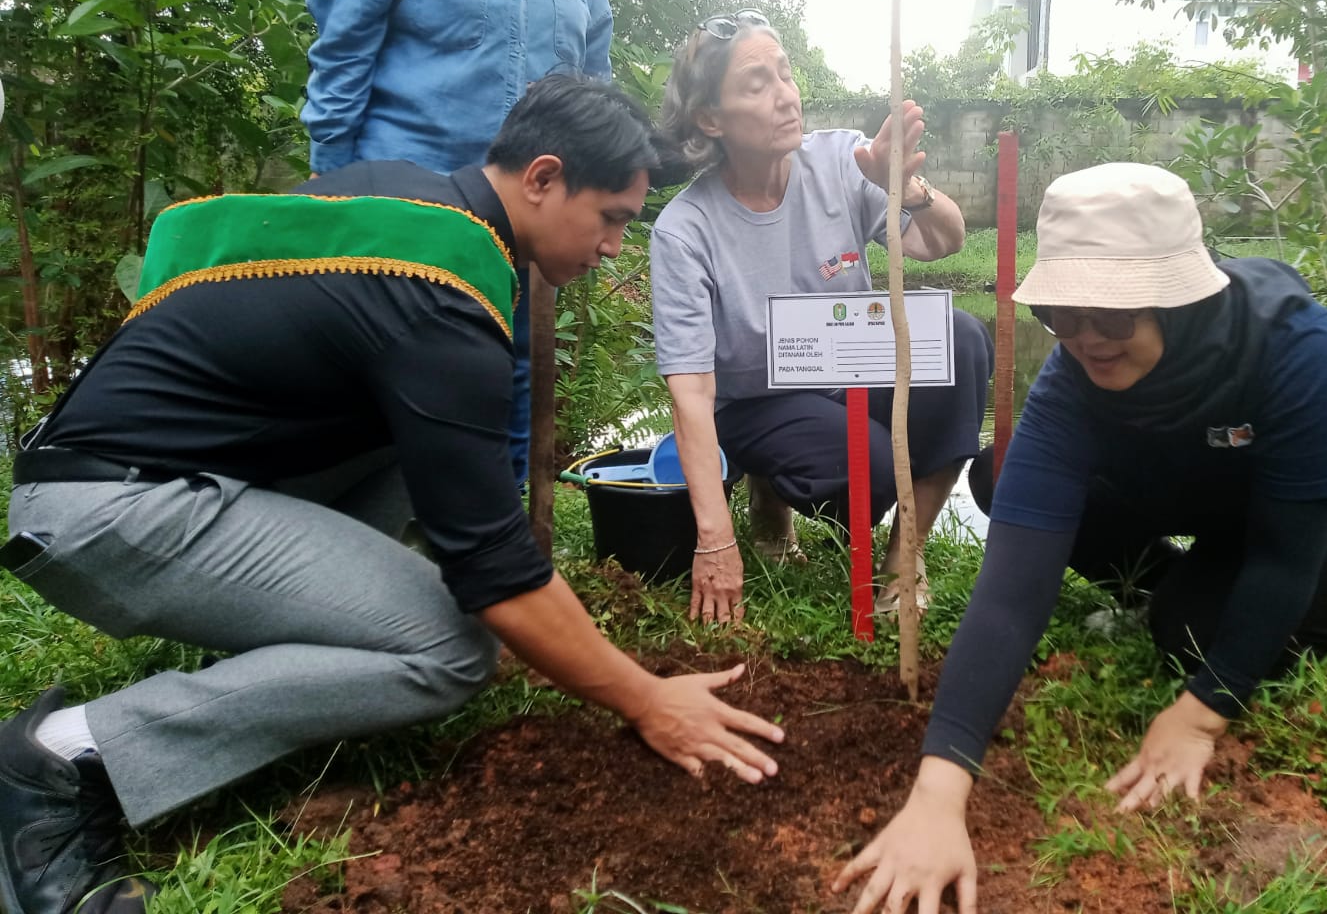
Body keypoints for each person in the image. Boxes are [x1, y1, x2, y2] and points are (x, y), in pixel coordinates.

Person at [0, 77, 784, 914]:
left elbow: (465, 498)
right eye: (614, 218)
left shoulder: (409, 200)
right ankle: (63, 758)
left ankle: (276, 644)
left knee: (441, 454)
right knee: (450, 652)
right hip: (115, 513)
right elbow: (492, 564)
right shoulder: (442, 302)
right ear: (544, 178)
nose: (616, 248)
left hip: (130, 475)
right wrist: (643, 696)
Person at [835, 163, 1327, 913]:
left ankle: (1193, 595)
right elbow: (1011, 596)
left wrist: (1202, 712)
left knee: (1190, 633)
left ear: (1175, 303)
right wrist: (939, 788)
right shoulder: (1071, 385)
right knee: (1005, 474)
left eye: (1114, 317)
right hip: (1208, 478)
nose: (1087, 340)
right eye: (1062, 315)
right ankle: (1182, 577)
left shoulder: (1290, 345)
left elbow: (1286, 554)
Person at [300, 0, 614, 483]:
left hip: (521, 222)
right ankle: (378, 565)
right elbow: (341, 58)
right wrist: (333, 204)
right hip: (405, 213)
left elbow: (592, 79)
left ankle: (494, 570)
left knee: (505, 391)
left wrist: (597, 200)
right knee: (390, 398)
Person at [650, 9, 994, 625]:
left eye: (785, 74)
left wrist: (903, 188)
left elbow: (942, 242)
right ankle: (768, 493)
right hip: (754, 402)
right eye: (757, 84)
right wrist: (714, 538)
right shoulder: (686, 229)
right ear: (710, 118)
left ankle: (902, 559)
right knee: (868, 469)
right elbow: (692, 393)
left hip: (849, 371)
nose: (785, 96)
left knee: (960, 339)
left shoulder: (840, 160)